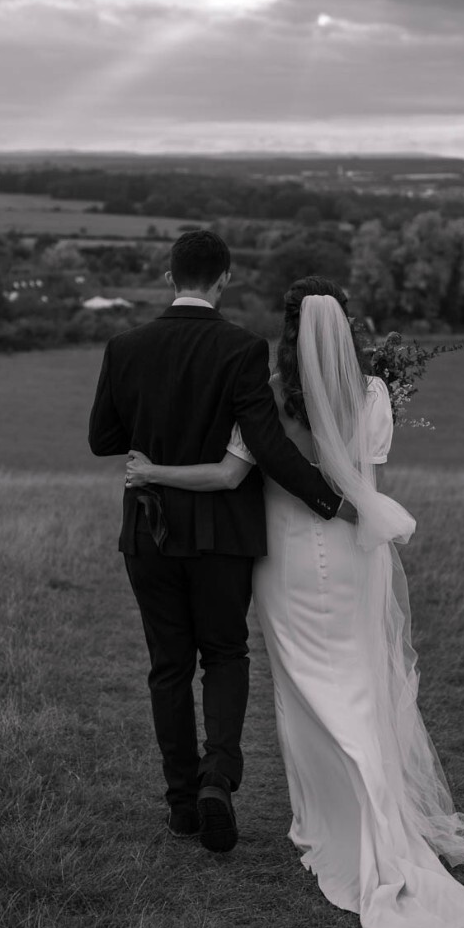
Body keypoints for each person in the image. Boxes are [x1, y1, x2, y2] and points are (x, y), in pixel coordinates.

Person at [124, 276, 464, 928]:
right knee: (358, 678)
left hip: (285, 558)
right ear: (348, 327)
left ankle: (328, 819)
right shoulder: (375, 393)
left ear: (289, 327)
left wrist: (151, 472)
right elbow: (366, 469)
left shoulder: (263, 394)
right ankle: (372, 815)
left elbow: (230, 475)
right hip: (355, 550)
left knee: (303, 687)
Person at [88, 235, 354, 854]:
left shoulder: (124, 347)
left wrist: (153, 435)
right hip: (224, 537)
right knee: (226, 655)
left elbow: (104, 438)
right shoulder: (241, 349)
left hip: (146, 532)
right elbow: (268, 446)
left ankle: (182, 806)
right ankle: (218, 780)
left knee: (169, 667)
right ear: (225, 278)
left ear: (167, 274)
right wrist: (332, 502)